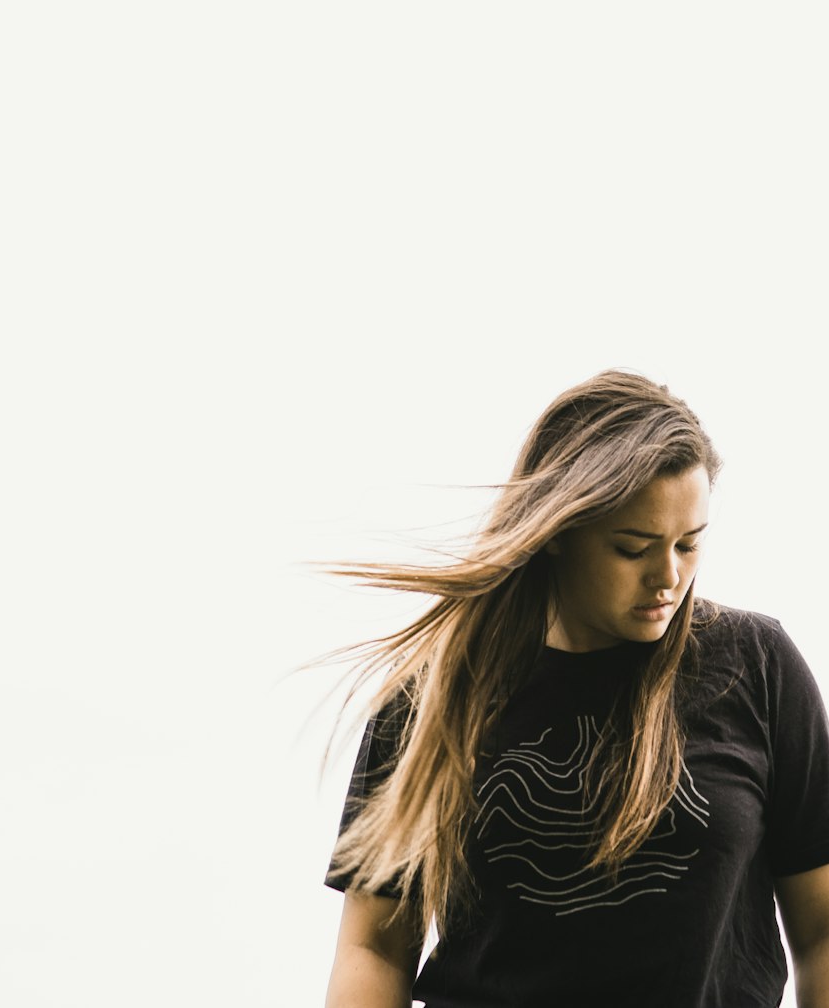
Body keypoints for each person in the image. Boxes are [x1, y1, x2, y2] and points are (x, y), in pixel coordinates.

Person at [322, 371, 829, 1008]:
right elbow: (374, 948)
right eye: (633, 548)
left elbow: (821, 933)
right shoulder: (433, 696)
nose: (668, 576)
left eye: (688, 544)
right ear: (558, 531)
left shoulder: (757, 665)